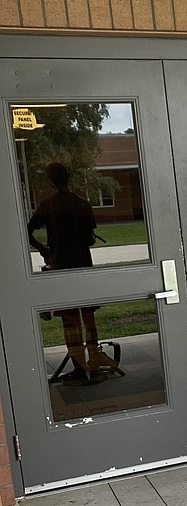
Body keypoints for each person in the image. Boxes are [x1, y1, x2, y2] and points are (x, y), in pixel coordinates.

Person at [27, 162, 106, 385]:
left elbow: (28, 230)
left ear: (51, 180)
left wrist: (43, 248)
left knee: (70, 321)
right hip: (83, 265)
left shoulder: (48, 205)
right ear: (69, 177)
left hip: (61, 265)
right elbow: (90, 239)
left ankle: (80, 368)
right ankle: (94, 365)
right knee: (89, 319)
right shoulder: (83, 204)